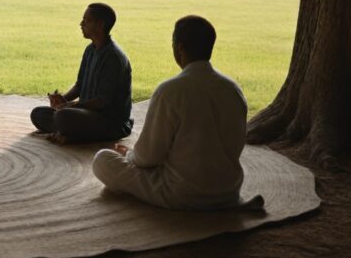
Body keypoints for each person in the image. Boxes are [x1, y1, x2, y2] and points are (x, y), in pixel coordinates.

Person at [92, 15, 252, 210]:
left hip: (182, 193)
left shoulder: (171, 90)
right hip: (227, 191)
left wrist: (129, 155)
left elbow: (148, 157)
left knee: (102, 160)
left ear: (180, 48)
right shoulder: (233, 89)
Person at [30, 3, 133, 142]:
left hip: (109, 121)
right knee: (38, 114)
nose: (81, 24)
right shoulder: (90, 50)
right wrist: (63, 100)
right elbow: (80, 85)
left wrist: (72, 106)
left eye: (86, 20)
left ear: (100, 24)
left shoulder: (113, 58)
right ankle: (71, 131)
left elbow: (103, 101)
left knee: (63, 116)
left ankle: (71, 133)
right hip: (85, 114)